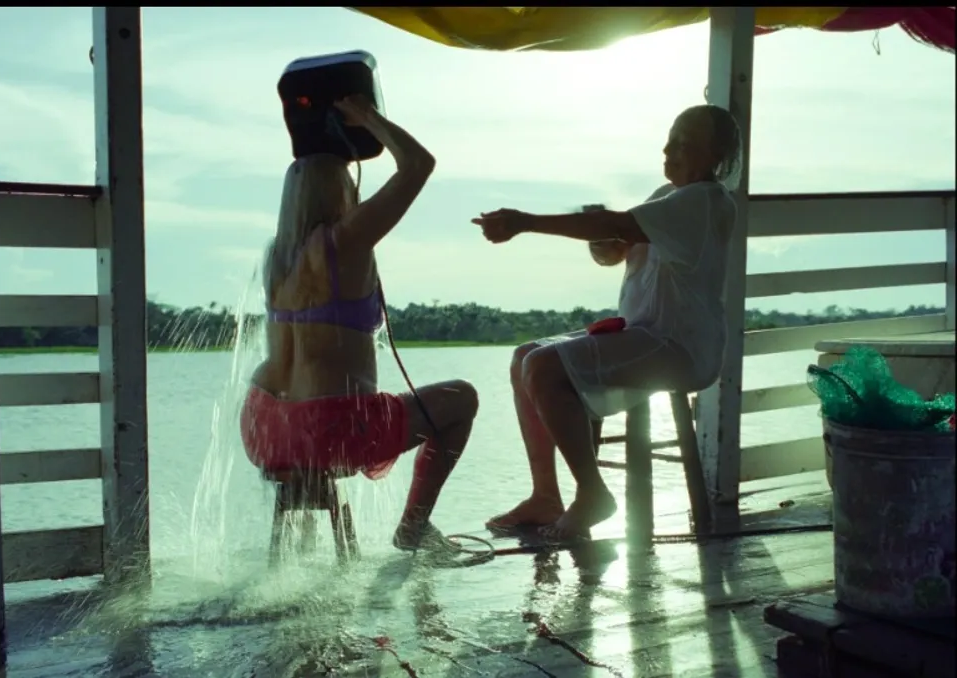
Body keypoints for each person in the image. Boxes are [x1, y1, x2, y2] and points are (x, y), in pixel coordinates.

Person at [473, 104, 742, 541]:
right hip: (642, 335)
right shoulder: (667, 195)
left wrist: (526, 222)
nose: (667, 150)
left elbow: (617, 225)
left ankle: (592, 493)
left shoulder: (705, 200)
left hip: (679, 348)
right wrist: (602, 239)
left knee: (543, 365)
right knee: (525, 356)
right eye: (669, 140)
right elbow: (614, 248)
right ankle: (545, 495)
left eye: (682, 144)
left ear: (715, 155)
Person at [241, 95, 479, 553]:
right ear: (340, 192)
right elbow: (418, 165)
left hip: (264, 427)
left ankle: (301, 545)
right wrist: (368, 118)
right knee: (461, 398)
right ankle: (413, 527)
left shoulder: (276, 257)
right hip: (332, 430)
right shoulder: (343, 242)